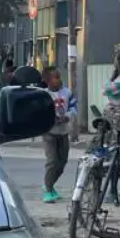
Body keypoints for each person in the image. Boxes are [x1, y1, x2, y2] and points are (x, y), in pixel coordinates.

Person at [41, 67, 71, 203]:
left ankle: (50, 184)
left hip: (63, 132)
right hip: (49, 132)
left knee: (62, 163)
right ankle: (47, 190)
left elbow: (73, 107)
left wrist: (68, 116)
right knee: (52, 161)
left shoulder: (67, 93)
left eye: (59, 76)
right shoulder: (43, 95)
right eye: (56, 77)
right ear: (48, 81)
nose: (60, 80)